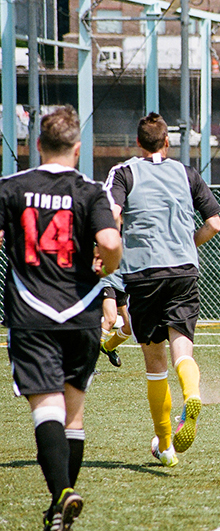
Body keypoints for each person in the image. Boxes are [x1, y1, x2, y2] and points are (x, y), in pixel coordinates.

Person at [0, 106, 122, 530]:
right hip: (81, 313)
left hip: (31, 314)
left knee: (45, 410)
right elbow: (109, 240)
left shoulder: (11, 187)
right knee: (74, 414)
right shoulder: (90, 190)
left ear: (36, 145)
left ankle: (61, 492)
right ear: (77, 148)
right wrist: (106, 266)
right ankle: (60, 508)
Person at [106, 112, 220, 467]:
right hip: (184, 269)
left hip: (144, 274)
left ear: (137, 144)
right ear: (167, 142)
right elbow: (214, 223)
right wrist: (188, 245)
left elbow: (111, 215)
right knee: (182, 352)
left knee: (155, 366)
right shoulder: (187, 173)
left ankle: (166, 445)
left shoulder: (124, 172)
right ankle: (193, 393)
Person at [98, 270, 131, 367]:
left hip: (122, 283)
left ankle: (108, 347)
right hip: (105, 280)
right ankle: (87, 362)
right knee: (110, 319)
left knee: (129, 326)